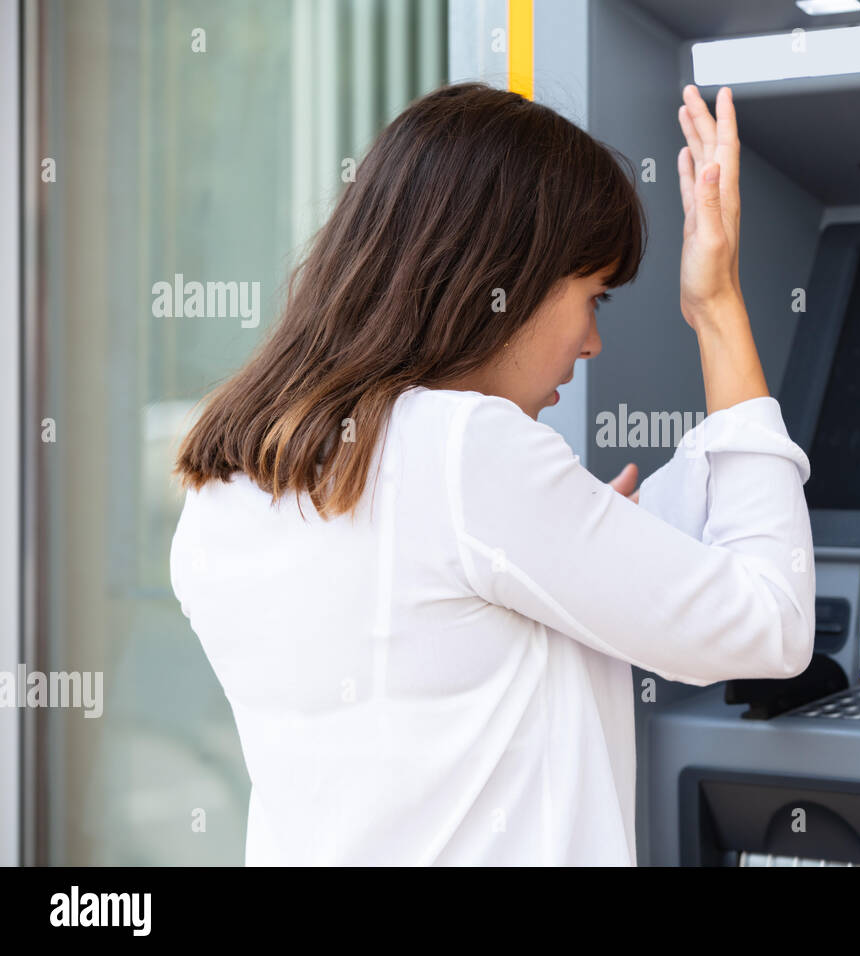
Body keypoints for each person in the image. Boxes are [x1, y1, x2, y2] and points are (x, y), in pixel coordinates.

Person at [170, 80, 814, 866]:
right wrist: (716, 305)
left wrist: (572, 547)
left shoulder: (226, 483)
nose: (592, 344)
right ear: (508, 280)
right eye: (595, 298)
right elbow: (773, 624)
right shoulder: (463, 450)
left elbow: (438, 651)